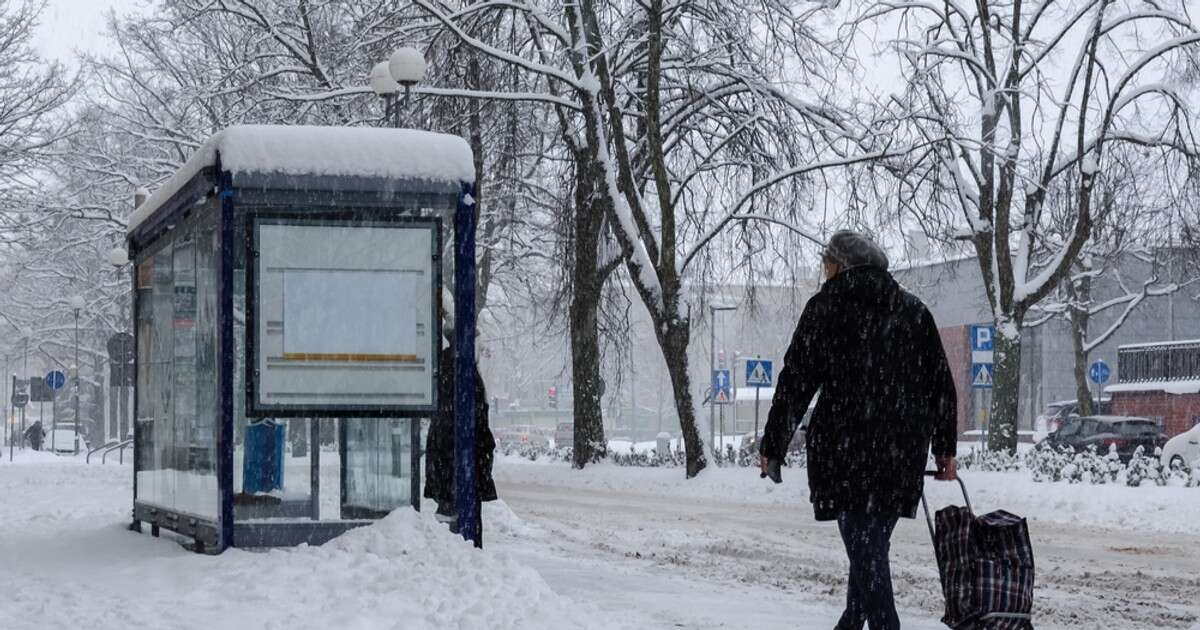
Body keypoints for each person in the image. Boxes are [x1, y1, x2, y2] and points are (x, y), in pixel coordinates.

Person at [759, 230, 958, 630]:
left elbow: (796, 381)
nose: (823, 271)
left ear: (838, 265)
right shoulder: (912, 310)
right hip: (900, 454)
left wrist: (774, 445)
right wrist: (944, 449)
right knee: (870, 547)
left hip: (844, 451)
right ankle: (850, 623)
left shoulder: (826, 308)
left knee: (866, 552)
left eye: (825, 264)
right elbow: (942, 384)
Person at [424, 343, 498, 535]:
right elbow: (478, 423)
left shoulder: (444, 370)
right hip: (459, 467)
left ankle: (458, 548)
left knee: (450, 520)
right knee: (460, 527)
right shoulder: (464, 372)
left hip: (449, 466)